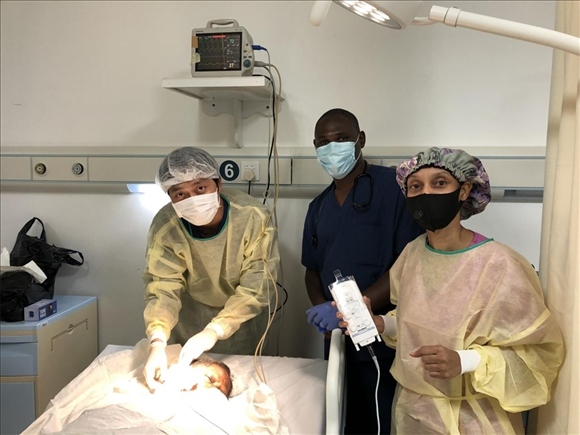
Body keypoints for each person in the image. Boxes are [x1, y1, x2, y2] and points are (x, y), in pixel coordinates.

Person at [337, 146, 565, 433]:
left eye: (440, 183)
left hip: (477, 418)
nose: (426, 193)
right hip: (413, 412)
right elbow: (415, 320)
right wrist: (380, 323)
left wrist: (464, 361)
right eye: (415, 186)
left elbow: (539, 354)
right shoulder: (413, 254)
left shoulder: (500, 265)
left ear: (464, 190)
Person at [301, 108, 424, 434]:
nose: (332, 148)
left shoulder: (394, 189)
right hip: (338, 336)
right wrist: (323, 310)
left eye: (341, 138)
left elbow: (408, 264)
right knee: (343, 416)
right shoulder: (318, 207)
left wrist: (352, 309)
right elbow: (312, 269)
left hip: (384, 333)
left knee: (381, 417)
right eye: (323, 142)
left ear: (361, 140)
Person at [143, 146, 280, 392]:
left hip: (242, 324)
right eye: (180, 193)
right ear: (170, 197)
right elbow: (163, 288)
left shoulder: (252, 217)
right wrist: (157, 341)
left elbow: (257, 286)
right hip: (189, 320)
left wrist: (215, 330)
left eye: (200, 188)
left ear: (218, 183)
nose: (192, 200)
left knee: (236, 384)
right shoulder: (166, 227)